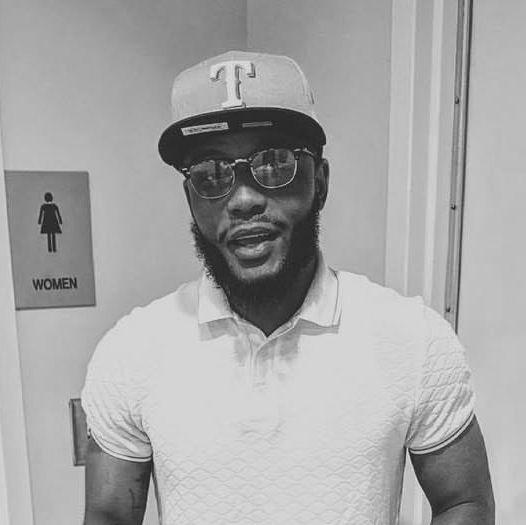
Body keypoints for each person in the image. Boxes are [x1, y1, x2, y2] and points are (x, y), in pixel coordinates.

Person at [81, 51, 494, 524]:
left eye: (274, 164)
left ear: (319, 181)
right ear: (190, 198)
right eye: (211, 174)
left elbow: (464, 502)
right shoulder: (132, 351)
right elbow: (110, 514)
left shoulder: (412, 340)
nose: (243, 199)